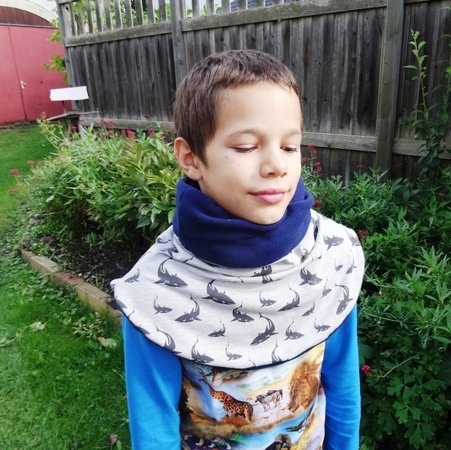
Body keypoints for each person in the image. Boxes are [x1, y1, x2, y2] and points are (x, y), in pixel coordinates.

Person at [111, 49, 365, 450]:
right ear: (191, 158)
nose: (276, 165)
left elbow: (342, 380)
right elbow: (154, 433)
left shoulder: (331, 255)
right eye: (246, 147)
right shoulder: (154, 294)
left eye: (290, 146)